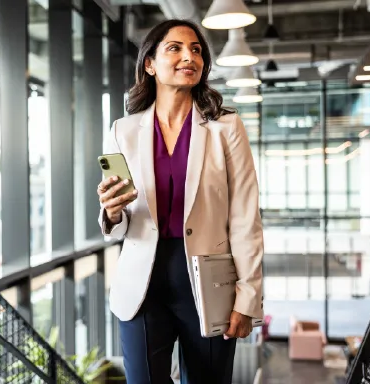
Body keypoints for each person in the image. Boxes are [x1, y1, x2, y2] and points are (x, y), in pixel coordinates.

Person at [96, 19, 264, 384]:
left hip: (209, 279)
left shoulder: (225, 126)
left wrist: (248, 297)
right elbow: (122, 223)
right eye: (175, 48)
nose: (189, 56)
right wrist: (112, 212)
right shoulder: (123, 131)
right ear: (150, 64)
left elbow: (245, 217)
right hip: (142, 282)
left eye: (196, 50)